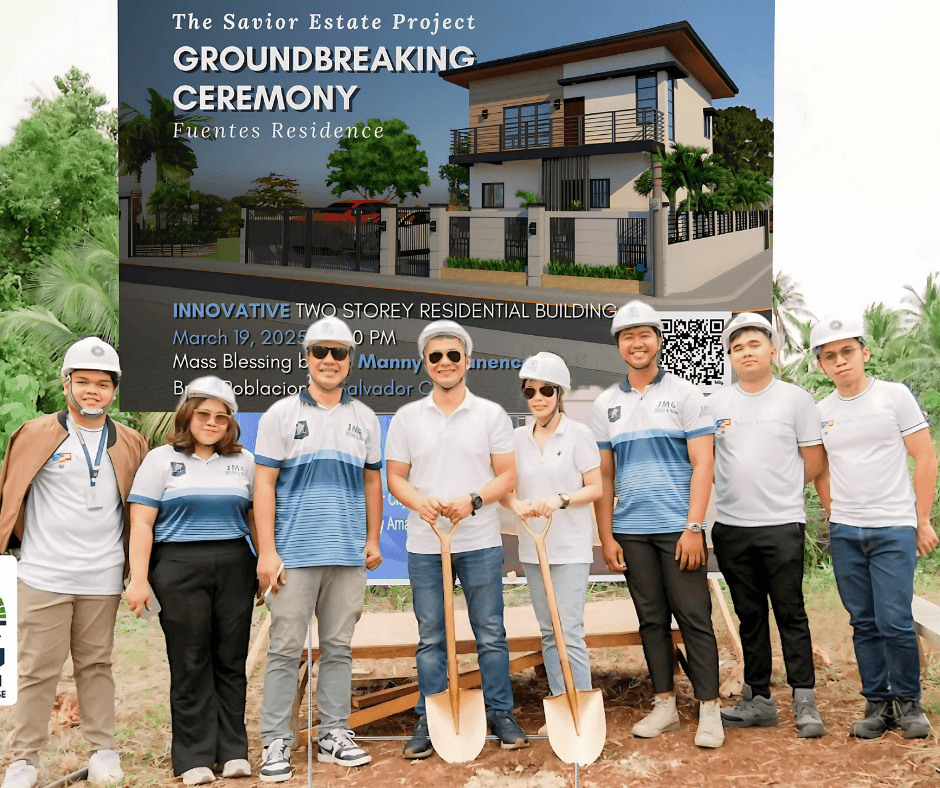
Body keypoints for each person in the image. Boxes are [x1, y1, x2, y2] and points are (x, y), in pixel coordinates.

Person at [0, 338, 148, 788]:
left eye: (102, 385)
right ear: (66, 384)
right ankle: (24, 759)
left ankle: (103, 751)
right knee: (37, 668)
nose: (92, 392)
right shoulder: (34, 433)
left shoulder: (130, 442)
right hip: (43, 572)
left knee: (96, 665)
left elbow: (140, 510)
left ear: (114, 390)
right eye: (82, 382)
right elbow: (11, 492)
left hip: (102, 575)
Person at [385, 320, 526, 759]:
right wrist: (421, 503)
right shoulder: (407, 417)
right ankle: (432, 715)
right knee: (431, 637)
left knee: (490, 632)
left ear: (467, 361)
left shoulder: (490, 414)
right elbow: (395, 478)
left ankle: (501, 712)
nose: (444, 363)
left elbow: (507, 474)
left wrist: (475, 500)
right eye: (435, 356)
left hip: (480, 541)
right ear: (424, 363)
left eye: (453, 355)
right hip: (426, 546)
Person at [253, 317, 383, 782]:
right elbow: (263, 484)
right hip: (294, 555)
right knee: (287, 650)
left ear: (351, 360)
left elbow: (373, 482)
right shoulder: (281, 415)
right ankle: (275, 741)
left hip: (347, 556)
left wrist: (371, 539)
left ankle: (333, 733)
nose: (330, 360)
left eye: (339, 353)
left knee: (338, 649)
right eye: (321, 351)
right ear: (306, 357)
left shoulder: (364, 418)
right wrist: (267, 552)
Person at [591, 300, 723, 748]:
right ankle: (664, 704)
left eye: (644, 334)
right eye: (627, 336)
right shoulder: (606, 403)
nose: (636, 342)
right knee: (651, 619)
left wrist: (693, 527)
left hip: (677, 529)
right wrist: (607, 535)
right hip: (632, 531)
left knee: (694, 617)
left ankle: (709, 709)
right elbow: (605, 476)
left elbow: (703, 462)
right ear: (619, 346)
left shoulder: (686, 394)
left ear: (659, 339)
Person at [125, 377, 257, 784]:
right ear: (188, 414)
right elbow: (142, 522)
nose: (212, 422)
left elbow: (255, 519)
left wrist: (266, 562)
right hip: (178, 567)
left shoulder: (245, 461)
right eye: (204, 413)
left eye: (221, 416)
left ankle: (233, 750)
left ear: (230, 422)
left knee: (231, 660)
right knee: (190, 661)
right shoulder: (160, 459)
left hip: (235, 564)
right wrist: (139, 579)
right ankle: (193, 756)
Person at [812, 315, 939, 739]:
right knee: (863, 621)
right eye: (830, 356)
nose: (840, 361)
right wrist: (834, 513)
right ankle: (877, 704)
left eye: (847, 351)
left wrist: (921, 520)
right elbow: (821, 469)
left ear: (865, 353)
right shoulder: (822, 411)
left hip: (893, 528)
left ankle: (910, 704)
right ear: (821, 366)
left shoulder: (893, 396)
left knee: (895, 620)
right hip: (847, 533)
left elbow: (924, 456)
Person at [707, 313, 826, 737]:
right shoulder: (717, 404)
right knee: (750, 616)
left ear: (772, 351)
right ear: (731, 357)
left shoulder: (796, 399)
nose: (746, 352)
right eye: (737, 347)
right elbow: (706, 462)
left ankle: (805, 701)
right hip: (732, 528)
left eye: (754, 344)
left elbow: (813, 459)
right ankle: (757, 700)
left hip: (781, 526)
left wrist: (785, 491)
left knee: (791, 612)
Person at [500, 352, 602, 723]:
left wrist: (559, 500)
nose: (538, 397)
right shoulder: (515, 438)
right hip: (533, 547)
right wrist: (518, 505)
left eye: (546, 390)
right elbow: (505, 488)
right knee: (548, 631)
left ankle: (583, 711)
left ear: (560, 393)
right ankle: (561, 701)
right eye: (530, 391)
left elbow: (595, 489)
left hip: (571, 548)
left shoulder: (579, 434)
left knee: (569, 630)